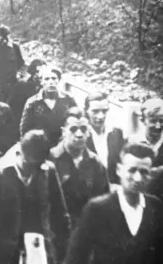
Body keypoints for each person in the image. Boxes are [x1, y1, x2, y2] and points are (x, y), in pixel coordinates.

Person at [0, 130, 65, 264]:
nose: (34, 171)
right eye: (29, 166)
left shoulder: (48, 170)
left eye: (38, 166)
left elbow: (60, 215)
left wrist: (63, 252)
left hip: (36, 250)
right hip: (1, 255)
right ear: (18, 153)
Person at [64, 142, 163, 264]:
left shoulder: (156, 207)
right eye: (132, 170)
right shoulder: (97, 209)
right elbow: (76, 257)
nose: (137, 178)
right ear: (119, 170)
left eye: (144, 172)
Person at [49, 107, 110, 261]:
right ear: (63, 131)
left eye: (83, 129)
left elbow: (104, 201)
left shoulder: (95, 163)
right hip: (53, 233)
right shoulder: (49, 159)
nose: (79, 134)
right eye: (73, 129)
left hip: (84, 234)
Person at [20, 66, 77, 146]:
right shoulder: (33, 102)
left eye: (54, 78)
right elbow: (24, 129)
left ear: (58, 80)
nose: (51, 82)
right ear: (41, 81)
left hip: (63, 145)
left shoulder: (68, 100)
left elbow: (77, 122)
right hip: (40, 146)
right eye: (46, 79)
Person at [84, 92, 126, 185]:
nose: (101, 116)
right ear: (86, 110)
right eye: (95, 111)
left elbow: (121, 164)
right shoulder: (81, 135)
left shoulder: (116, 133)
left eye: (104, 111)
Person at [0, 24, 25, 102]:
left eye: (6, 36)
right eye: (1, 36)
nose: (4, 39)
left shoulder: (15, 47)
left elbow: (21, 63)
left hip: (12, 81)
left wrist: (19, 74)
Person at [8, 58, 46, 126]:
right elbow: (12, 106)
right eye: (37, 71)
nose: (41, 74)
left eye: (44, 71)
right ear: (32, 72)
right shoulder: (22, 85)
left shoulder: (47, 88)